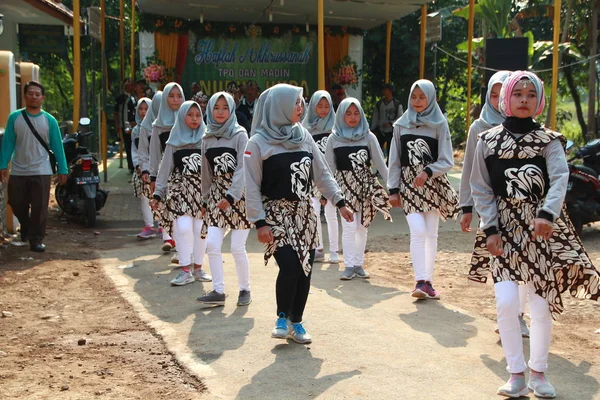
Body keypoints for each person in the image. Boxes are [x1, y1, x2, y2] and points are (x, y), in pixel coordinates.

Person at [470, 71, 600, 399]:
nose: (524, 99)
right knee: (506, 303)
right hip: (502, 230)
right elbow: (481, 188)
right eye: (518, 94)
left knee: (540, 306)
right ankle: (515, 372)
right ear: (506, 99)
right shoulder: (488, 141)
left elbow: (559, 178)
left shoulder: (549, 141)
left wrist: (547, 214)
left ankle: (538, 373)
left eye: (531, 94)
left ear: (538, 100)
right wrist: (490, 229)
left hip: (542, 231)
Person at [244, 84, 353, 344]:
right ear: (279, 106)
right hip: (275, 214)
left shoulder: (303, 135)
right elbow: (251, 185)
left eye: (302, 102)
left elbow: (322, 172)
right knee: (290, 265)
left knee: (305, 269)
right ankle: (282, 317)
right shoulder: (257, 143)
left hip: (304, 214)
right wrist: (259, 223)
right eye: (295, 103)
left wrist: (340, 201)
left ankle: (297, 323)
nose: (300, 107)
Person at [459, 71, 531, 337]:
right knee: (503, 260)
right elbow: (470, 170)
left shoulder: (532, 127)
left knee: (525, 261)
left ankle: (518, 316)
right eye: (494, 94)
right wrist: (466, 206)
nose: (501, 99)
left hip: (526, 210)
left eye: (507, 93)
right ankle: (509, 315)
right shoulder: (479, 128)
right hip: (492, 208)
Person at [388, 79, 459, 300]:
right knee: (418, 231)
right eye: (414, 97)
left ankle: (428, 282)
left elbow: (447, 160)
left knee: (431, 234)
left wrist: (428, 171)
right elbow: (395, 160)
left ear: (431, 98)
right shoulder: (401, 125)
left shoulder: (440, 124)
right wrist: (393, 189)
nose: (418, 101)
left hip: (433, 185)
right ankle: (419, 280)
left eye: (422, 97)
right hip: (409, 185)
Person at [325, 98, 392, 280]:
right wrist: (327, 193)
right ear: (341, 115)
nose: (353, 117)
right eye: (348, 113)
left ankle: (358, 264)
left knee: (362, 227)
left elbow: (380, 164)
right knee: (349, 227)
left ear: (361, 114)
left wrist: (392, 189)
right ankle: (348, 265)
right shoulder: (334, 138)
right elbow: (329, 168)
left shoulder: (369, 136)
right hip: (343, 187)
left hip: (365, 186)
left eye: (356, 113)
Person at [197, 92, 252, 307]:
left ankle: (245, 288)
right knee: (212, 243)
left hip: (239, 196)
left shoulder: (240, 135)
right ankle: (218, 291)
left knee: (237, 247)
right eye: (216, 108)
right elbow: (206, 172)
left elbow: (243, 167)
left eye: (225, 108)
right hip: (216, 197)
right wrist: (204, 199)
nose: (220, 112)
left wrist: (231, 195)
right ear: (210, 110)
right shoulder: (207, 137)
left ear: (232, 110)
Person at [0, 81, 68, 252]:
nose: (34, 97)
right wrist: (3, 165)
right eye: (30, 93)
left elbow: (57, 146)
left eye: (37, 94)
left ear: (42, 98)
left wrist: (63, 169)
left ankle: (36, 239)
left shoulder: (49, 120)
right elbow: (8, 143)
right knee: (16, 202)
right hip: (18, 170)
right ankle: (27, 225)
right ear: (25, 96)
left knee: (39, 207)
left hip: (41, 170)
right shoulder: (15, 118)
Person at [151, 101, 211, 286]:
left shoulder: (208, 140)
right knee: (183, 228)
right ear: (182, 116)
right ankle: (185, 270)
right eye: (190, 115)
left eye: (198, 115)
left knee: (201, 231)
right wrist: (158, 193)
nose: (194, 119)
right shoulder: (173, 142)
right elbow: (164, 170)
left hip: (202, 194)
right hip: (180, 193)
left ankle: (198, 268)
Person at [145, 82, 185, 253]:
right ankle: (169, 239)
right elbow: (154, 152)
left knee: (185, 211)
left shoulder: (190, 118)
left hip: (188, 173)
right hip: (165, 172)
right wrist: (153, 177)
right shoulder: (158, 125)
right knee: (168, 207)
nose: (175, 100)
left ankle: (184, 248)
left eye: (178, 96)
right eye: (171, 96)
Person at [302, 91, 340, 263]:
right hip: (312, 177)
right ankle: (318, 248)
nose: (323, 110)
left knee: (332, 213)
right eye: (320, 106)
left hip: (331, 176)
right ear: (313, 107)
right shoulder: (305, 128)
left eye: (327, 106)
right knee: (314, 212)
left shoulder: (336, 128)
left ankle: (334, 250)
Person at [130, 97, 156, 239]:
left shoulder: (157, 127)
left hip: (156, 168)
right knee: (145, 197)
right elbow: (135, 149)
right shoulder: (136, 130)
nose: (143, 112)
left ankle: (165, 228)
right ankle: (149, 226)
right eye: (140, 109)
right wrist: (138, 165)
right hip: (143, 169)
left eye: (146, 109)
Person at [370, 83, 404, 157]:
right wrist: (373, 129)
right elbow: (375, 117)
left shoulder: (397, 104)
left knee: (391, 153)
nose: (383, 91)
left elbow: (401, 117)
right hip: (381, 131)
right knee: (378, 152)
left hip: (392, 131)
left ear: (390, 91)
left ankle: (389, 167)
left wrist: (391, 123)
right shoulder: (379, 104)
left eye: (385, 89)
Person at [114, 78, 137, 173]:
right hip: (125, 125)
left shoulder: (135, 97)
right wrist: (118, 126)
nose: (130, 85)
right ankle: (131, 166)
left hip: (136, 125)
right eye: (128, 83)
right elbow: (116, 113)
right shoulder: (120, 98)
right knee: (128, 145)